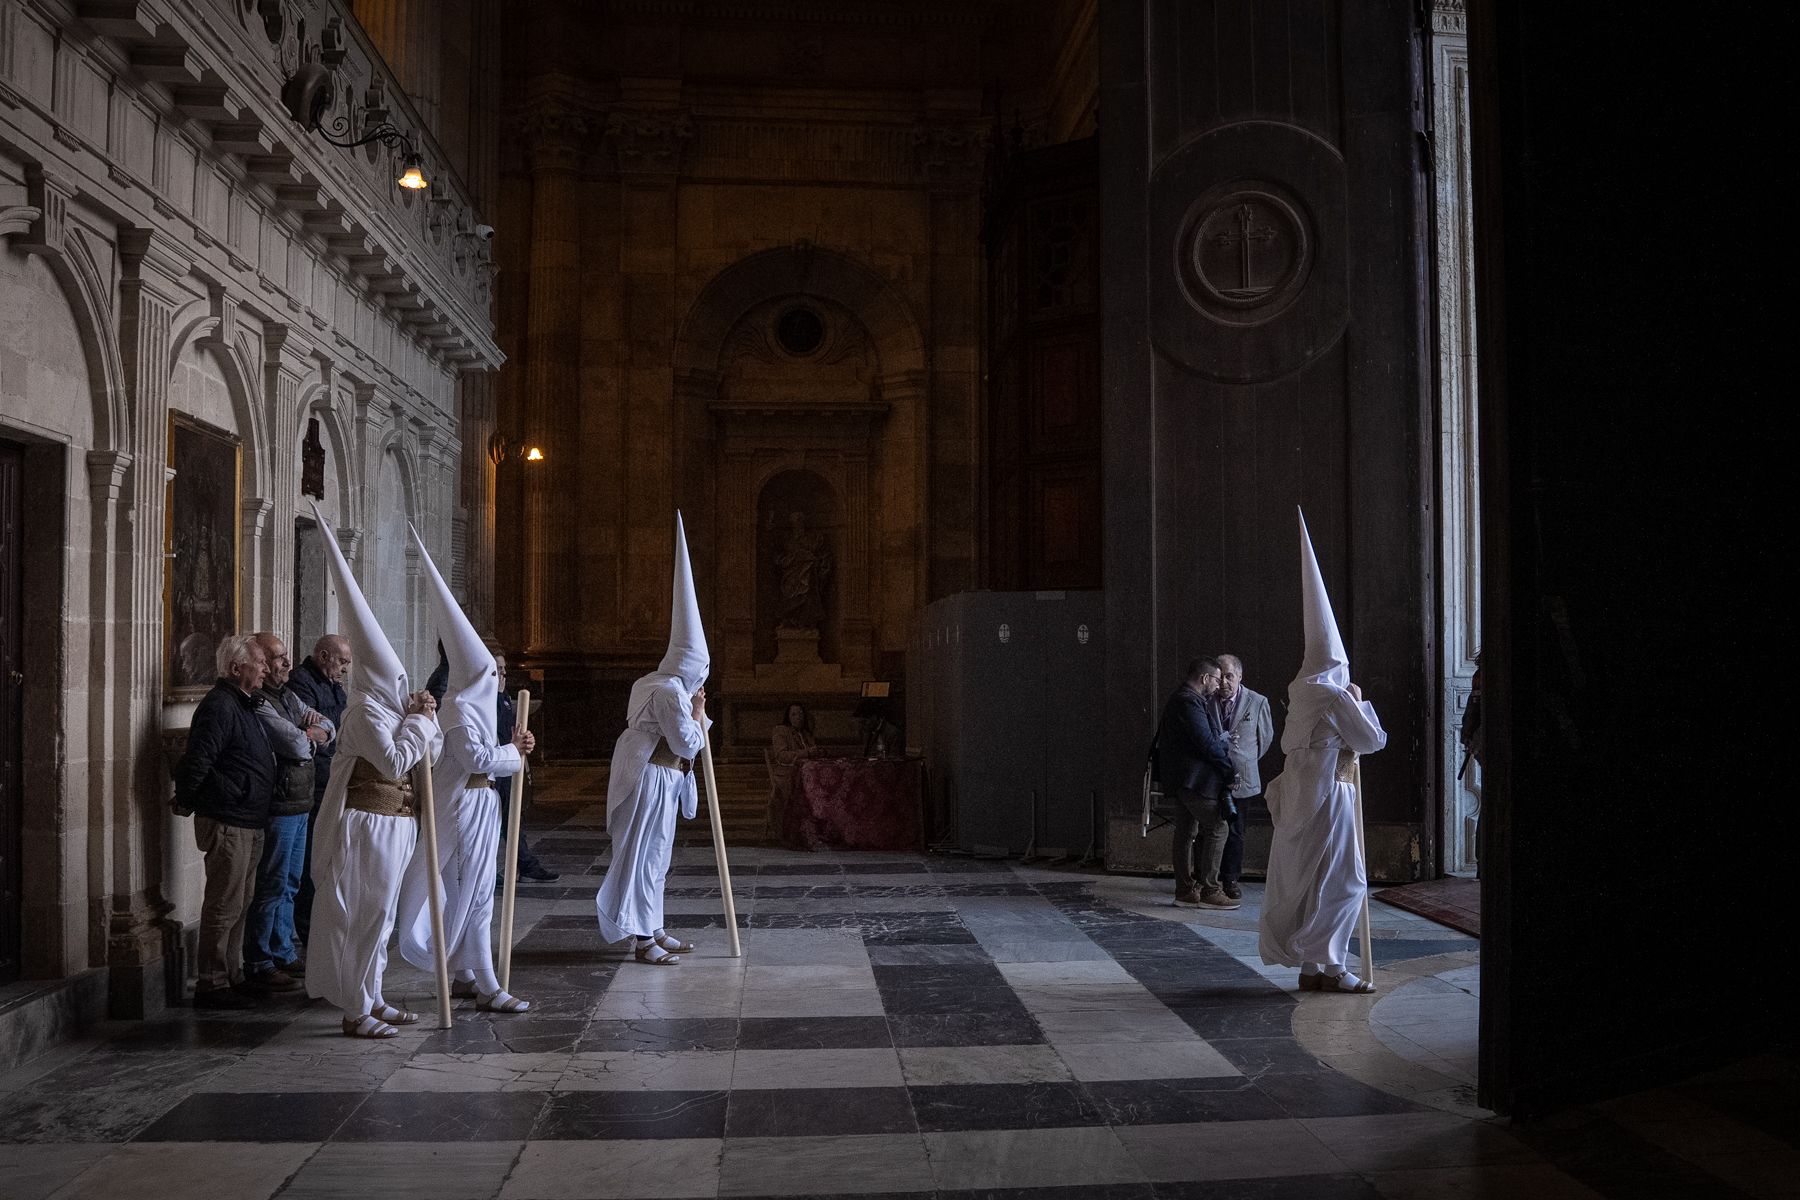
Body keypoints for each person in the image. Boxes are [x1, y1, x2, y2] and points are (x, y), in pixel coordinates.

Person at [305, 504, 443, 1038]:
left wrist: (420, 723)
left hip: (398, 821)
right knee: (364, 913)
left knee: (382, 915)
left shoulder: (390, 710)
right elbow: (393, 760)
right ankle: (355, 1008)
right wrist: (421, 725)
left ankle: (374, 994)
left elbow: (419, 759)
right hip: (367, 823)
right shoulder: (363, 712)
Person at [396, 528, 538, 1014]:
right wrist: (513, 755)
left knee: (472, 890)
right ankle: (488, 983)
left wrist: (515, 748)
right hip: (462, 805)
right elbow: (478, 759)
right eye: (489, 673)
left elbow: (491, 752)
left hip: (480, 803)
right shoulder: (456, 708)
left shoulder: (472, 707)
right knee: (475, 892)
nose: (495, 680)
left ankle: (464, 974)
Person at [1259, 510, 1389, 994]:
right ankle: (1333, 967)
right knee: (1345, 880)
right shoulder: (1334, 696)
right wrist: (1361, 701)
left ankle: (1313, 967)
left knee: (1312, 879)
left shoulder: (1301, 691)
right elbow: (1372, 741)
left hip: (1299, 791)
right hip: (1329, 793)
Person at [595, 511, 709, 966]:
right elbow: (685, 741)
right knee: (644, 856)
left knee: (656, 856)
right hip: (652, 776)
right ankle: (642, 939)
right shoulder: (667, 691)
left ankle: (654, 927)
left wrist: (697, 715)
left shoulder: (659, 684)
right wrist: (698, 714)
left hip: (660, 777)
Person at [173, 634, 277, 1009]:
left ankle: (233, 975)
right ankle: (212, 983)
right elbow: (199, 759)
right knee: (223, 904)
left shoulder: (243, 704)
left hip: (248, 818)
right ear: (237, 669)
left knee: (242, 902)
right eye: (259, 663)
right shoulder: (220, 706)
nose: (266, 668)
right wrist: (192, 797)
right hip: (229, 819)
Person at [241, 632, 332, 994]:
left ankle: (282, 950)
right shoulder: (260, 701)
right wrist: (308, 734)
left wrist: (311, 732)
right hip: (278, 805)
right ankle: (260, 959)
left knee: (291, 882)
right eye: (276, 658)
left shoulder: (288, 695)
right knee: (272, 883)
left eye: (283, 657)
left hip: (300, 801)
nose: (285, 664)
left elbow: (329, 725)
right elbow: (296, 742)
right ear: (259, 661)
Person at [1154, 656, 1240, 910]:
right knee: (1218, 826)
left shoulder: (1181, 699)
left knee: (1186, 831)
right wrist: (1228, 769)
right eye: (1216, 678)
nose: (1218, 684)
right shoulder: (1189, 702)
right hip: (1194, 781)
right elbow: (1206, 742)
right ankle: (1210, 890)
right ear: (1205, 679)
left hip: (1182, 780)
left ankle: (1185, 890)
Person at [287, 634, 350, 946]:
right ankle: (308, 935)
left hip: (332, 780)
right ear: (324, 656)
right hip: (314, 784)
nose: (345, 669)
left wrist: (332, 734)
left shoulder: (333, 685)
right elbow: (313, 737)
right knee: (309, 863)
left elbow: (340, 727)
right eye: (342, 662)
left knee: (329, 861)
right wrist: (331, 735)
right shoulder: (301, 683)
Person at [1215, 653, 1276, 901]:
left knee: (1236, 831)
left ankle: (1230, 879)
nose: (1224, 683)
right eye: (1220, 677)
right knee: (1210, 829)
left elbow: (1266, 738)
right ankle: (1207, 878)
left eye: (1229, 676)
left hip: (1243, 778)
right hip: (1213, 777)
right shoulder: (1207, 699)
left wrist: (1245, 761)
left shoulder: (1257, 702)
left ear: (1240, 676)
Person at [493, 652, 558, 884]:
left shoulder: (502, 695)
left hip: (506, 763)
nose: (503, 674)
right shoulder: (485, 699)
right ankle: (513, 865)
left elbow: (510, 730)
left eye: (503, 669)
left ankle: (522, 863)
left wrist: (524, 740)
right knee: (500, 821)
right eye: (497, 669)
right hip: (493, 767)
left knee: (512, 818)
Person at [768, 701, 820, 839]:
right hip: (787, 773)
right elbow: (782, 755)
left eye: (801, 714)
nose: (798, 717)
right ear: (788, 716)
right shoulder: (781, 731)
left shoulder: (806, 734)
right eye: (794, 714)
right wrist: (806, 753)